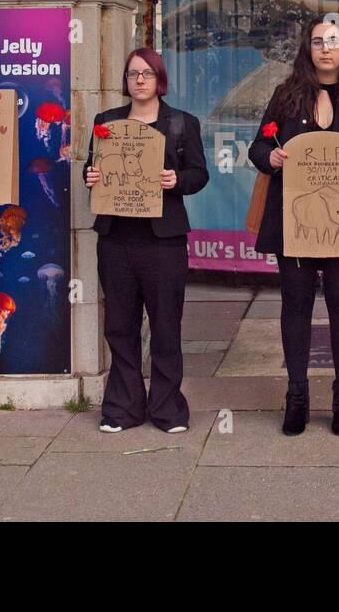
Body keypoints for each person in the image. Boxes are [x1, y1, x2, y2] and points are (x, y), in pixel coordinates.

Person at [248, 15, 339, 436]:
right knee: (295, 304)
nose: (326, 48)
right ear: (307, 49)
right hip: (295, 219)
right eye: (317, 41)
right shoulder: (286, 95)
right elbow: (260, 145)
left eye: (333, 40)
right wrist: (270, 158)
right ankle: (296, 395)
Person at [84, 47, 208, 434]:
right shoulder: (106, 121)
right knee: (119, 326)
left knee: (166, 325)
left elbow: (199, 174)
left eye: (147, 74)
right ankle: (123, 407)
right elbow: (94, 168)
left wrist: (177, 181)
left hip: (163, 241)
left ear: (159, 80)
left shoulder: (182, 123)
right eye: (133, 74)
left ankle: (168, 409)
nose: (139, 80)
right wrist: (91, 177)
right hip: (116, 239)